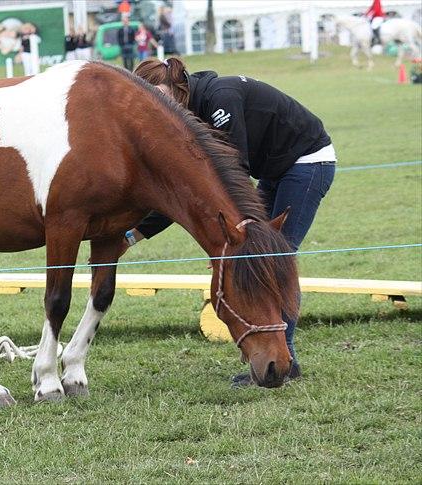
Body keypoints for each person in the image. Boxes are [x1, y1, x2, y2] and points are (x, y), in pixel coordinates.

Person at [126, 57, 337, 387]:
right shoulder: (185, 116)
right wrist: (132, 235)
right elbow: (187, 195)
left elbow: (231, 175)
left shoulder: (221, 97)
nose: (153, 104)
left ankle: (285, 358)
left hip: (307, 162)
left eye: (157, 94)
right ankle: (271, 351)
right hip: (273, 171)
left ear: (176, 86)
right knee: (261, 255)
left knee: (276, 257)